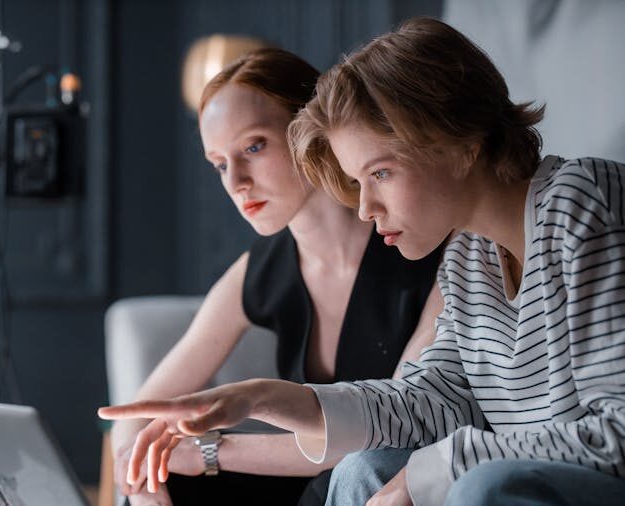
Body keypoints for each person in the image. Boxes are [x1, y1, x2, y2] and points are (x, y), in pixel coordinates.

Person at [100, 17, 625, 506]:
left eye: (380, 174)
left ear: (461, 144)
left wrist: (437, 469)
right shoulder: (469, 255)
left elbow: (616, 433)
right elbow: (428, 403)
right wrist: (263, 398)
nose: (366, 207)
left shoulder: (581, 199)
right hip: (527, 476)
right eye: (358, 181)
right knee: (364, 469)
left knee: (481, 483)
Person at [110, 48, 445, 506]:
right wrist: (146, 484)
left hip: (384, 473)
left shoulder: (418, 242)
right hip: (309, 483)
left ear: (311, 132)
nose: (236, 182)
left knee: (356, 466)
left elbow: (388, 424)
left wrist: (211, 450)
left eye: (254, 147)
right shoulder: (261, 270)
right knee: (168, 473)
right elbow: (136, 413)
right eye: (220, 164)